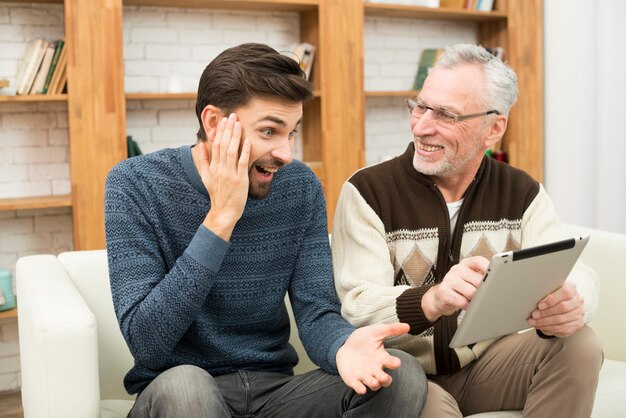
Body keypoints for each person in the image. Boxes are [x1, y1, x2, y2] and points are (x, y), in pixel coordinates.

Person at [104, 43, 427, 418]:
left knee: (402, 375)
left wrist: (344, 346)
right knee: (188, 388)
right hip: (178, 394)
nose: (286, 152)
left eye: (291, 133)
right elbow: (147, 343)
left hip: (274, 391)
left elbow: (316, 310)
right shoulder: (134, 184)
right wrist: (222, 216)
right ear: (213, 123)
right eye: (270, 130)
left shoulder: (300, 186)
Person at [331, 43, 603, 418]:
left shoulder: (521, 191)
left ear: (494, 127)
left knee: (579, 344)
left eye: (446, 115)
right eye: (421, 106)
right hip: (405, 373)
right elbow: (357, 305)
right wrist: (432, 299)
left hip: (489, 367)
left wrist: (575, 302)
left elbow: (570, 266)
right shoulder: (368, 191)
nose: (422, 126)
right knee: (419, 396)